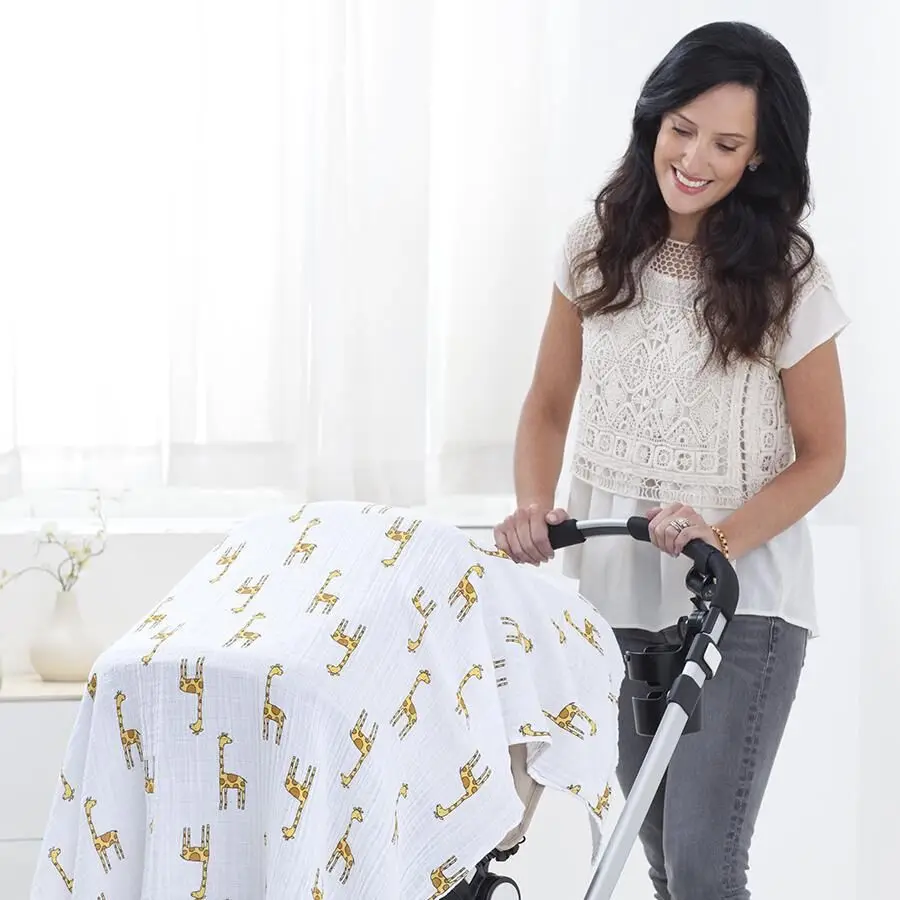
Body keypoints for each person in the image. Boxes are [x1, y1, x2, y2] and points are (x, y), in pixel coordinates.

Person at [493, 20, 849, 900]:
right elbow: (547, 405)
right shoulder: (594, 244)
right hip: (614, 584)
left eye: (726, 144)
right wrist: (535, 505)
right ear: (653, 116)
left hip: (740, 591)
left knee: (700, 862)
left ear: (759, 157)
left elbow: (824, 456)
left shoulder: (788, 277)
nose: (693, 159)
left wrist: (717, 539)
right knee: (650, 848)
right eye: (682, 129)